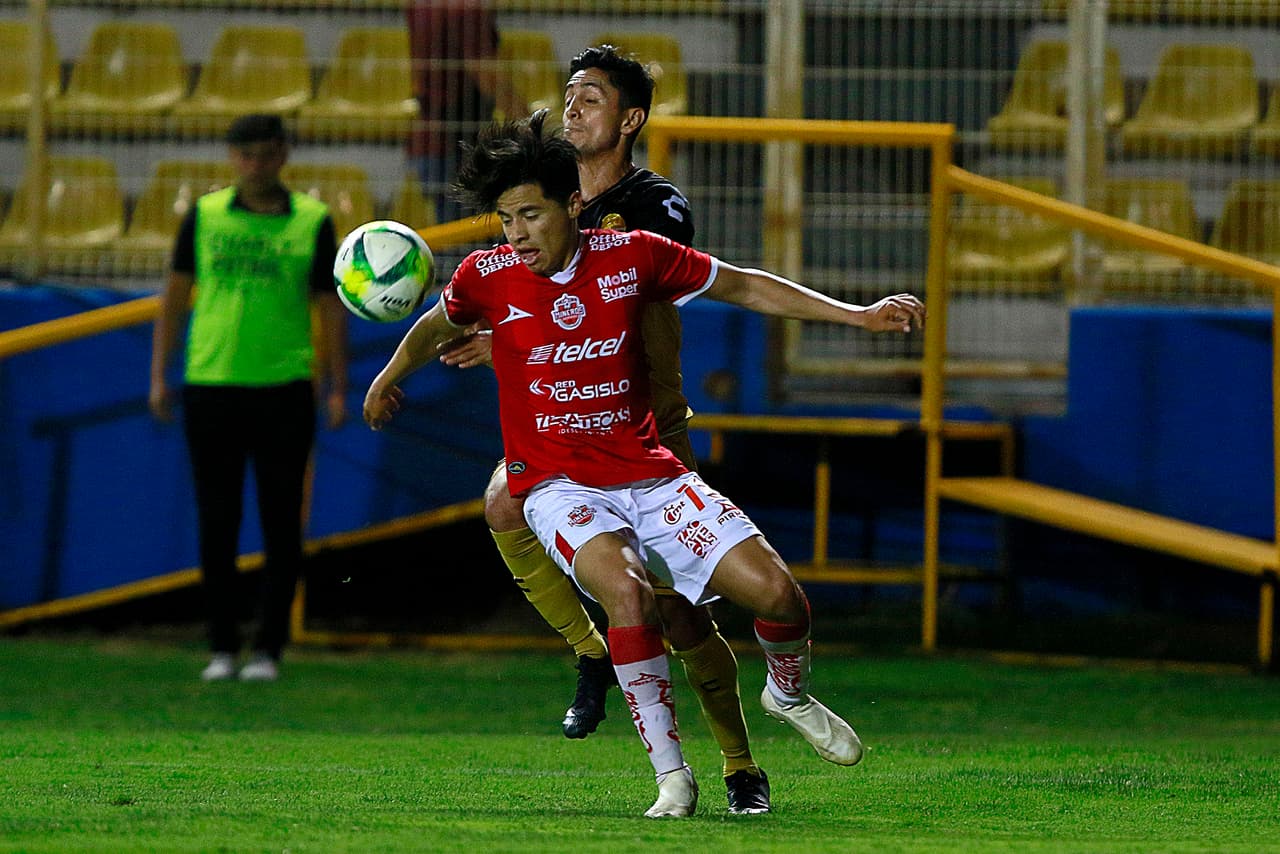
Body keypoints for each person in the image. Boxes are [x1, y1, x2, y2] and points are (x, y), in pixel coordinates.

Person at [363, 111, 924, 818]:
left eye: (530, 215)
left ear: (573, 205)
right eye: (505, 220)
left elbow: (744, 285)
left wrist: (860, 315)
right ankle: (672, 776)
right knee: (627, 597)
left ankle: (786, 692)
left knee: (781, 599)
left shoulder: (634, 257)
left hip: (653, 475)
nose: (517, 235)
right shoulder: (488, 276)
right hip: (561, 487)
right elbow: (437, 323)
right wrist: (388, 376)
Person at [440, 45, 773, 815]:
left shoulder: (653, 206)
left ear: (629, 119)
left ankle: (739, 764)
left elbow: (633, 293)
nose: (573, 108)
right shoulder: (542, 208)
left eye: (590, 97)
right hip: (566, 436)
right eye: (567, 96)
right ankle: (591, 654)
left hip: (648, 431)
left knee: (684, 619)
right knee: (502, 503)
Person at [149, 113, 349, 683]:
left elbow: (328, 306)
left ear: (283, 154)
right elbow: (175, 295)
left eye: (266, 153)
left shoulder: (312, 220)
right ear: (231, 157)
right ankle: (220, 645)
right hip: (211, 383)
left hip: (285, 387)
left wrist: (336, 386)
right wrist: (160, 375)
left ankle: (267, 649)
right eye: (246, 154)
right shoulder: (204, 216)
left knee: (282, 522)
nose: (256, 165)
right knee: (218, 521)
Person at [407, 0, 526, 221]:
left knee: (455, 237)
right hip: (460, 150)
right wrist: (530, 126)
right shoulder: (466, 8)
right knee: (468, 240)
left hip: (432, 142)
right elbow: (487, 75)